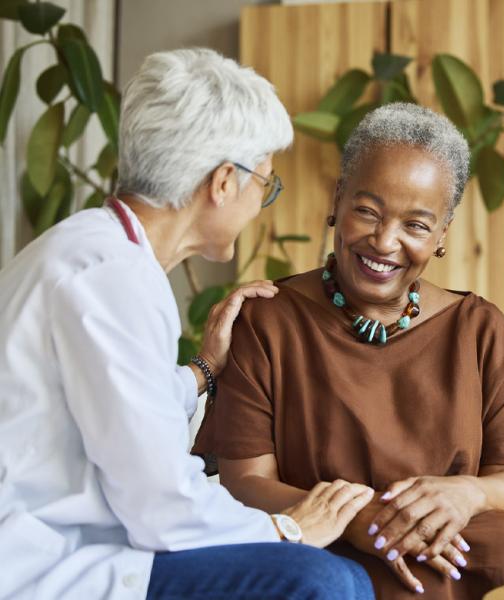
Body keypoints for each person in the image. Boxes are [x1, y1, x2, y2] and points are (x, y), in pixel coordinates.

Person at [0, 49, 375, 600]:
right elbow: (160, 505)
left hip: (64, 545)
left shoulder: (95, 252)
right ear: (224, 181)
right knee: (328, 582)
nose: (260, 204)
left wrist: (203, 368)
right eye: (264, 184)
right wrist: (289, 528)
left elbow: (122, 415)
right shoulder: (110, 275)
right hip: (43, 565)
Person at [192, 103, 504, 599]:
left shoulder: (483, 331)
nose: (384, 241)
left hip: (452, 545)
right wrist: (357, 518)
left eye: (416, 225)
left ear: (443, 232)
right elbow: (244, 482)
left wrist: (467, 493)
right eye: (367, 211)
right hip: (326, 546)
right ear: (338, 199)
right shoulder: (268, 320)